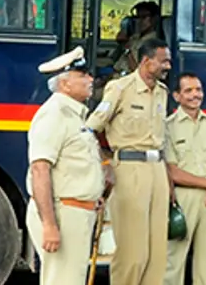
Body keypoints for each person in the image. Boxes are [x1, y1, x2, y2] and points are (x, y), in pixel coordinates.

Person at [88, 37, 172, 285]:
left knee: (157, 254)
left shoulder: (162, 93)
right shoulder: (120, 88)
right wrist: (105, 164)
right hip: (129, 168)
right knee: (133, 253)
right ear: (146, 61)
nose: (168, 66)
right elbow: (92, 127)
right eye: (163, 61)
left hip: (157, 170)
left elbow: (161, 140)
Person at [26, 46, 110, 285]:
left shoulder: (73, 115)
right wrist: (50, 225)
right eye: (83, 75)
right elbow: (40, 170)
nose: (91, 79)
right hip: (64, 214)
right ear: (64, 84)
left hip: (77, 212)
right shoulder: (54, 115)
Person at [163, 73, 206, 285]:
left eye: (198, 90)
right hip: (183, 197)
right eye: (188, 91)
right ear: (177, 96)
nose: (195, 95)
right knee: (173, 261)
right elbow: (173, 172)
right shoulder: (168, 127)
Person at [111, 1, 164, 75]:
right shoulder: (135, 36)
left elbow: (138, 71)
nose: (139, 21)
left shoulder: (153, 42)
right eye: (137, 17)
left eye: (144, 17)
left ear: (154, 19)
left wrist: (128, 51)